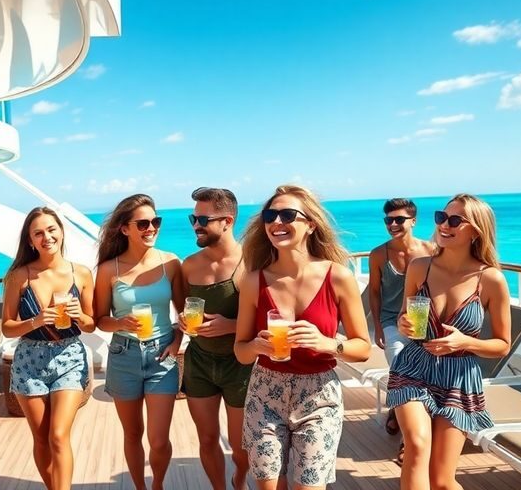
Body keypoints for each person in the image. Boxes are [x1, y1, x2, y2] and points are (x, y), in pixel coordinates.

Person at [234, 184, 372, 490]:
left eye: (287, 215)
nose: (276, 222)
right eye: (270, 215)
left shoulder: (338, 276)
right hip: (265, 389)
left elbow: (362, 348)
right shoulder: (254, 280)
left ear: (310, 224)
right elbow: (241, 352)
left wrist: (326, 343)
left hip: (318, 394)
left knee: (308, 487)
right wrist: (257, 345)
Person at [387, 193, 512, 490]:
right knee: (416, 446)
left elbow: (502, 345)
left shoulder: (491, 280)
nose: (444, 224)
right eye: (441, 217)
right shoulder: (420, 267)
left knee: (442, 481)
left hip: (459, 377)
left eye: (455, 220)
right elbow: (406, 316)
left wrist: (463, 342)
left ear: (476, 231)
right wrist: (403, 322)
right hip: (414, 367)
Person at [93, 194, 184, 490]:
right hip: (124, 354)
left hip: (162, 354)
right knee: (132, 433)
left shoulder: (170, 262)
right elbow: (99, 319)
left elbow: (184, 312)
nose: (151, 228)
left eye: (155, 222)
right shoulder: (109, 270)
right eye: (143, 223)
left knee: (159, 440)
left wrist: (178, 340)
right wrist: (120, 323)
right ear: (125, 229)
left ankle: (157, 484)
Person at [1, 206, 96, 490]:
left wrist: (80, 316)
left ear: (62, 232)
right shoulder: (20, 276)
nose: (47, 237)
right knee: (41, 438)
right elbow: (6, 326)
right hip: (30, 360)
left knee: (58, 435)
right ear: (30, 241)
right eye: (38, 233)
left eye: (51, 230)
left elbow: (92, 324)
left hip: (69, 356)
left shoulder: (81, 273)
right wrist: (36, 320)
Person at [178, 187, 252, 490]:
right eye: (192, 218)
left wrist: (231, 325)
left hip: (241, 364)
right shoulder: (190, 265)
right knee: (207, 439)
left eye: (203, 219)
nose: (196, 225)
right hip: (200, 362)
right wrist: (183, 323)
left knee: (241, 446)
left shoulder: (252, 262)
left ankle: (240, 478)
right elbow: (183, 310)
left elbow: (271, 318)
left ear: (227, 221)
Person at [367, 198, 434, 456]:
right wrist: (379, 327)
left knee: (421, 375)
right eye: (388, 220)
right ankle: (410, 439)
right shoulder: (378, 254)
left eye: (399, 219)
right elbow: (374, 292)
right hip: (392, 321)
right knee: (401, 367)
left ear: (413, 221)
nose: (393, 224)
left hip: (424, 322)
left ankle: (397, 410)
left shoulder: (431, 250)